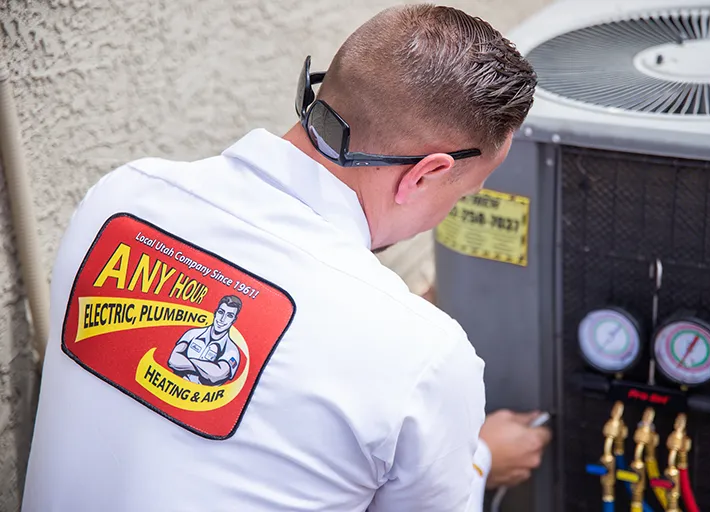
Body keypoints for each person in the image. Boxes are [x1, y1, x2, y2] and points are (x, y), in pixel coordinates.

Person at [22, 4, 547, 512]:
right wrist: (477, 461)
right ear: (425, 175)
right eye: (463, 193)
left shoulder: (122, 198)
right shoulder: (428, 357)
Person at [168, 295, 243, 385]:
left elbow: (217, 375)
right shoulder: (193, 333)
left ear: (234, 320)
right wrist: (205, 370)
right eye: (221, 312)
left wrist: (188, 361)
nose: (222, 319)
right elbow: (173, 359)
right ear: (215, 313)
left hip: (199, 396)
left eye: (229, 315)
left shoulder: (232, 350)